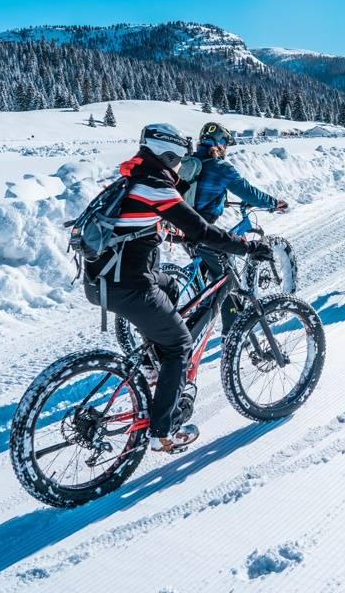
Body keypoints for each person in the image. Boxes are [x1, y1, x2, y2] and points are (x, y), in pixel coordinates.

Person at [90, 123, 273, 453]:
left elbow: (145, 226)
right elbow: (201, 230)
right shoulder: (156, 186)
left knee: (171, 286)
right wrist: (245, 248)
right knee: (179, 345)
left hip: (102, 279)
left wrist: (173, 235)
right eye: (178, 159)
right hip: (127, 284)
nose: (180, 166)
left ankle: (152, 364)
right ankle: (164, 430)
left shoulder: (133, 180)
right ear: (168, 154)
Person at [188, 122, 288, 326]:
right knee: (226, 279)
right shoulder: (220, 167)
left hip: (184, 225)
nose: (225, 147)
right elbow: (248, 191)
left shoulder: (189, 163)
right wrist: (273, 203)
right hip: (204, 230)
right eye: (224, 142)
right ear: (219, 143)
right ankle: (231, 332)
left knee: (207, 271)